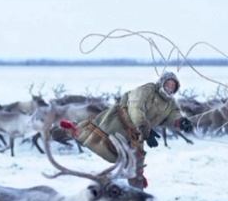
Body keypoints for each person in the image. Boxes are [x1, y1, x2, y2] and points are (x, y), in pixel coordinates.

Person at [60, 71, 193, 188]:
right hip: (121, 121)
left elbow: (173, 115)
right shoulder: (147, 90)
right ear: (162, 83)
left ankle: (136, 187)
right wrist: (145, 129)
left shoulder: (170, 103)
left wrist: (181, 122)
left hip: (138, 133)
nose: (170, 87)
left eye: (173, 86)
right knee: (99, 140)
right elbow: (135, 108)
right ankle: (69, 129)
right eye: (168, 84)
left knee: (136, 158)